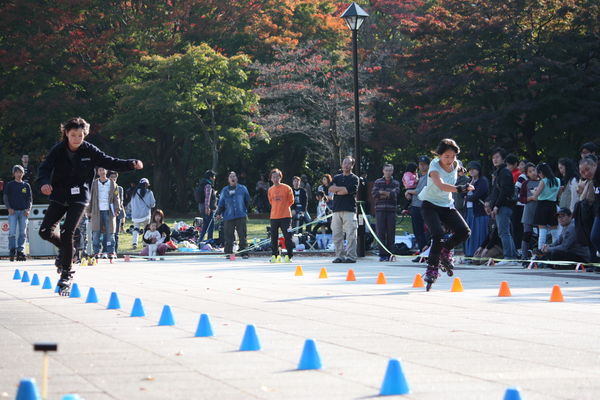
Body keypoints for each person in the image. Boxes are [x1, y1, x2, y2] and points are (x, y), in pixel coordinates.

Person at [37, 117, 142, 294]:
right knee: (44, 231)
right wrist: (44, 183)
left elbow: (109, 161)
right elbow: (44, 168)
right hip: (59, 195)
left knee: (67, 232)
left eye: (80, 135)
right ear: (66, 133)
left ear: (85, 135)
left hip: (79, 197)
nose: (77, 139)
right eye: (73, 135)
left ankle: (66, 273)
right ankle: (67, 250)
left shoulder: (89, 150)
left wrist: (130, 164)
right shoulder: (58, 149)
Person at [418, 139, 473, 290]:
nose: (449, 160)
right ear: (439, 155)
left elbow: (459, 168)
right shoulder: (434, 166)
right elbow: (441, 185)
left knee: (464, 232)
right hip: (430, 205)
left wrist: (461, 171)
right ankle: (432, 269)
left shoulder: (455, 163)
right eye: (446, 156)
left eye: (453, 156)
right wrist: (460, 188)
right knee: (438, 235)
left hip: (446, 205)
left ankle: (445, 250)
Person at [486, 148, 518, 264]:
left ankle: (509, 257)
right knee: (504, 231)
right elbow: (495, 192)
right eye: (493, 158)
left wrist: (496, 206)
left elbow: (504, 191)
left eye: (497, 157)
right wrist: (491, 204)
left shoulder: (504, 172)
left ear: (503, 159)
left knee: (503, 232)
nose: (495, 160)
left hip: (504, 206)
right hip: (501, 206)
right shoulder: (499, 172)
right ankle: (513, 257)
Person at [329, 156, 360, 263]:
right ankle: (339, 256)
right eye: (344, 163)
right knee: (337, 234)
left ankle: (351, 256)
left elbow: (347, 191)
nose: (346, 165)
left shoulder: (354, 178)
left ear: (352, 165)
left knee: (351, 234)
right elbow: (331, 188)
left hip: (349, 210)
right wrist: (340, 190)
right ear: (341, 165)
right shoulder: (336, 178)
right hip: (336, 210)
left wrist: (338, 190)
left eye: (348, 163)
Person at [87, 167, 120, 260]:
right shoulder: (94, 184)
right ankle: (96, 252)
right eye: (100, 170)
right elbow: (89, 197)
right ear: (97, 172)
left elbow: (116, 197)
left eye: (103, 170)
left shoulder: (113, 184)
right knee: (96, 232)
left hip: (109, 211)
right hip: (96, 211)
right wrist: (88, 210)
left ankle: (111, 251)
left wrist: (117, 209)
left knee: (110, 232)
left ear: (106, 171)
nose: (102, 172)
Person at [216, 171, 250, 259]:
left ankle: (244, 252)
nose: (233, 178)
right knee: (228, 236)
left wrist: (244, 210)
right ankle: (228, 253)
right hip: (228, 216)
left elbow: (247, 201)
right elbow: (221, 203)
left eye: (234, 176)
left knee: (242, 235)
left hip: (241, 215)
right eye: (231, 177)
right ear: (228, 179)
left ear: (237, 178)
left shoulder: (243, 188)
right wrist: (218, 213)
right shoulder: (224, 190)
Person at [372, 164, 400, 261]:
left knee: (391, 232)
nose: (388, 172)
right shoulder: (378, 182)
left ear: (392, 171)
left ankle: (390, 254)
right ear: (383, 171)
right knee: (380, 232)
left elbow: (395, 194)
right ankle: (382, 254)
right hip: (380, 210)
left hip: (391, 210)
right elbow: (374, 194)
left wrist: (382, 193)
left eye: (390, 170)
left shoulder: (396, 183)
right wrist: (387, 193)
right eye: (386, 170)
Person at [4, 165, 32, 261]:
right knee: (12, 232)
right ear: (14, 174)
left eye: (20, 172)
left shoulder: (26, 185)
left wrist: (28, 209)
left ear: (23, 174)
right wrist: (9, 208)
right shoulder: (10, 185)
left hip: (23, 212)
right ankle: (12, 250)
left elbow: (30, 199)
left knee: (23, 233)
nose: (19, 174)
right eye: (17, 172)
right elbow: (5, 198)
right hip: (13, 212)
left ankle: (20, 251)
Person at [531, 163, 561, 251]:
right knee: (554, 230)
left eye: (539, 173)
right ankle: (556, 249)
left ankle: (540, 250)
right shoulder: (558, 180)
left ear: (541, 172)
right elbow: (558, 194)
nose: (538, 175)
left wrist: (534, 191)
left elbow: (535, 196)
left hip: (542, 205)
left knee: (542, 230)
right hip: (553, 205)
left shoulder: (543, 181)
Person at [268, 169, 295, 261]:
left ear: (280, 177)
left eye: (277, 177)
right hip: (274, 216)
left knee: (288, 236)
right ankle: (275, 255)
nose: (275, 179)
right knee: (273, 237)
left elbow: (291, 201)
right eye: (273, 177)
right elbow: (271, 201)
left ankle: (289, 255)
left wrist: (284, 207)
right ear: (271, 178)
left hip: (285, 216)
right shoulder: (270, 190)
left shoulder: (287, 188)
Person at [464, 161, 489, 259]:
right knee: (470, 233)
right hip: (470, 211)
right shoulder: (469, 181)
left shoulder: (483, 181)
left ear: (478, 169)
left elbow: (477, 195)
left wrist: (467, 198)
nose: (471, 171)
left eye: (474, 169)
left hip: (479, 211)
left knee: (479, 233)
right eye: (470, 169)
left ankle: (478, 255)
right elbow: (461, 193)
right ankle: (469, 254)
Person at [406, 156, 430, 252]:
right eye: (420, 164)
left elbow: (421, 190)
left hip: (424, 206)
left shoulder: (429, 176)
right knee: (417, 231)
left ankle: (426, 252)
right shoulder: (419, 177)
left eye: (425, 164)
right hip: (415, 205)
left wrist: (408, 192)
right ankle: (422, 252)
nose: (422, 166)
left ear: (428, 165)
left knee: (425, 231)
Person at [519, 163, 540, 260]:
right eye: (530, 172)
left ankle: (539, 255)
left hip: (539, 210)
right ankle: (524, 256)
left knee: (541, 234)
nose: (533, 173)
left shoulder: (542, 182)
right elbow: (521, 198)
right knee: (527, 234)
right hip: (528, 211)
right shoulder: (525, 184)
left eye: (534, 170)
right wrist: (531, 198)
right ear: (527, 174)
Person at [129, 178, 156, 249]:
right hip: (145, 214)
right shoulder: (149, 192)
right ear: (146, 184)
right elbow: (152, 204)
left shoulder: (134, 192)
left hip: (135, 214)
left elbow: (131, 204)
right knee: (146, 229)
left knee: (136, 229)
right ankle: (145, 243)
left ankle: (134, 243)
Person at [506, 154, 525, 248]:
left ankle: (516, 247)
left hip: (517, 203)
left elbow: (514, 189)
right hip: (516, 203)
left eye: (509, 165)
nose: (507, 167)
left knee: (516, 227)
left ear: (515, 164)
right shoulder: (513, 173)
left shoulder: (517, 174)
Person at [196, 170, 217, 242]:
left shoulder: (202, 183)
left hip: (201, 206)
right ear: (211, 177)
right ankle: (209, 240)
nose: (214, 178)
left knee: (205, 224)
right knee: (211, 224)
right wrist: (207, 208)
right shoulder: (208, 185)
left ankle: (200, 240)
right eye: (214, 176)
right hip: (206, 207)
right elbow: (207, 198)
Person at [108, 171, 126, 252]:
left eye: (115, 177)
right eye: (111, 177)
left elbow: (121, 201)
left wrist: (116, 207)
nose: (113, 179)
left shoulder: (120, 188)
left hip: (117, 213)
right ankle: (108, 250)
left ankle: (115, 251)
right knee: (107, 233)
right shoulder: (105, 187)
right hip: (108, 213)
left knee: (116, 234)